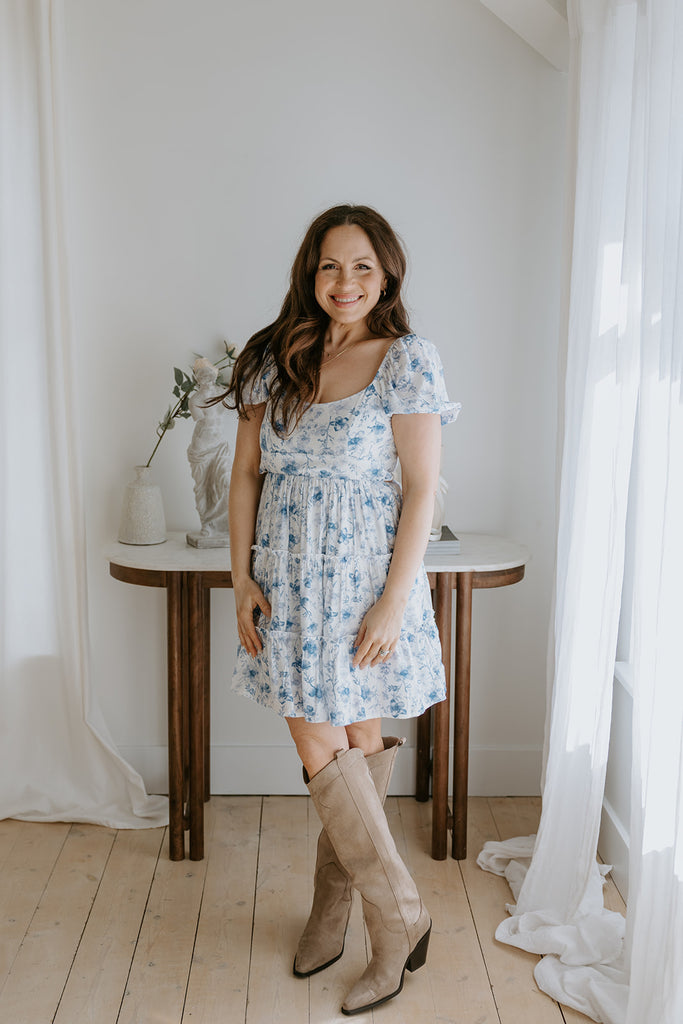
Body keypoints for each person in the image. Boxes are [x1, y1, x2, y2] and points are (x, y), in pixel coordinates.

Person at [225, 204, 460, 1015]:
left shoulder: (407, 361)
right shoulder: (273, 356)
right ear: (309, 272)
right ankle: (380, 914)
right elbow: (246, 475)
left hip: (364, 583)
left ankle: (374, 918)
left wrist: (396, 601)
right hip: (285, 579)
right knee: (326, 743)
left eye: (362, 266)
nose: (345, 282)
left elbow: (423, 488)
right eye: (330, 266)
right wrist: (241, 575)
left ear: (386, 272)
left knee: (353, 743)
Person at [186, 357, 231, 545]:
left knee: (225, 481)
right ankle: (207, 524)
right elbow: (201, 420)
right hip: (202, 448)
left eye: (208, 375)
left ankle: (225, 524)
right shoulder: (194, 399)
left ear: (214, 376)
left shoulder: (222, 393)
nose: (205, 379)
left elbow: (238, 400)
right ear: (197, 379)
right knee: (202, 487)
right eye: (201, 376)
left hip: (219, 446)